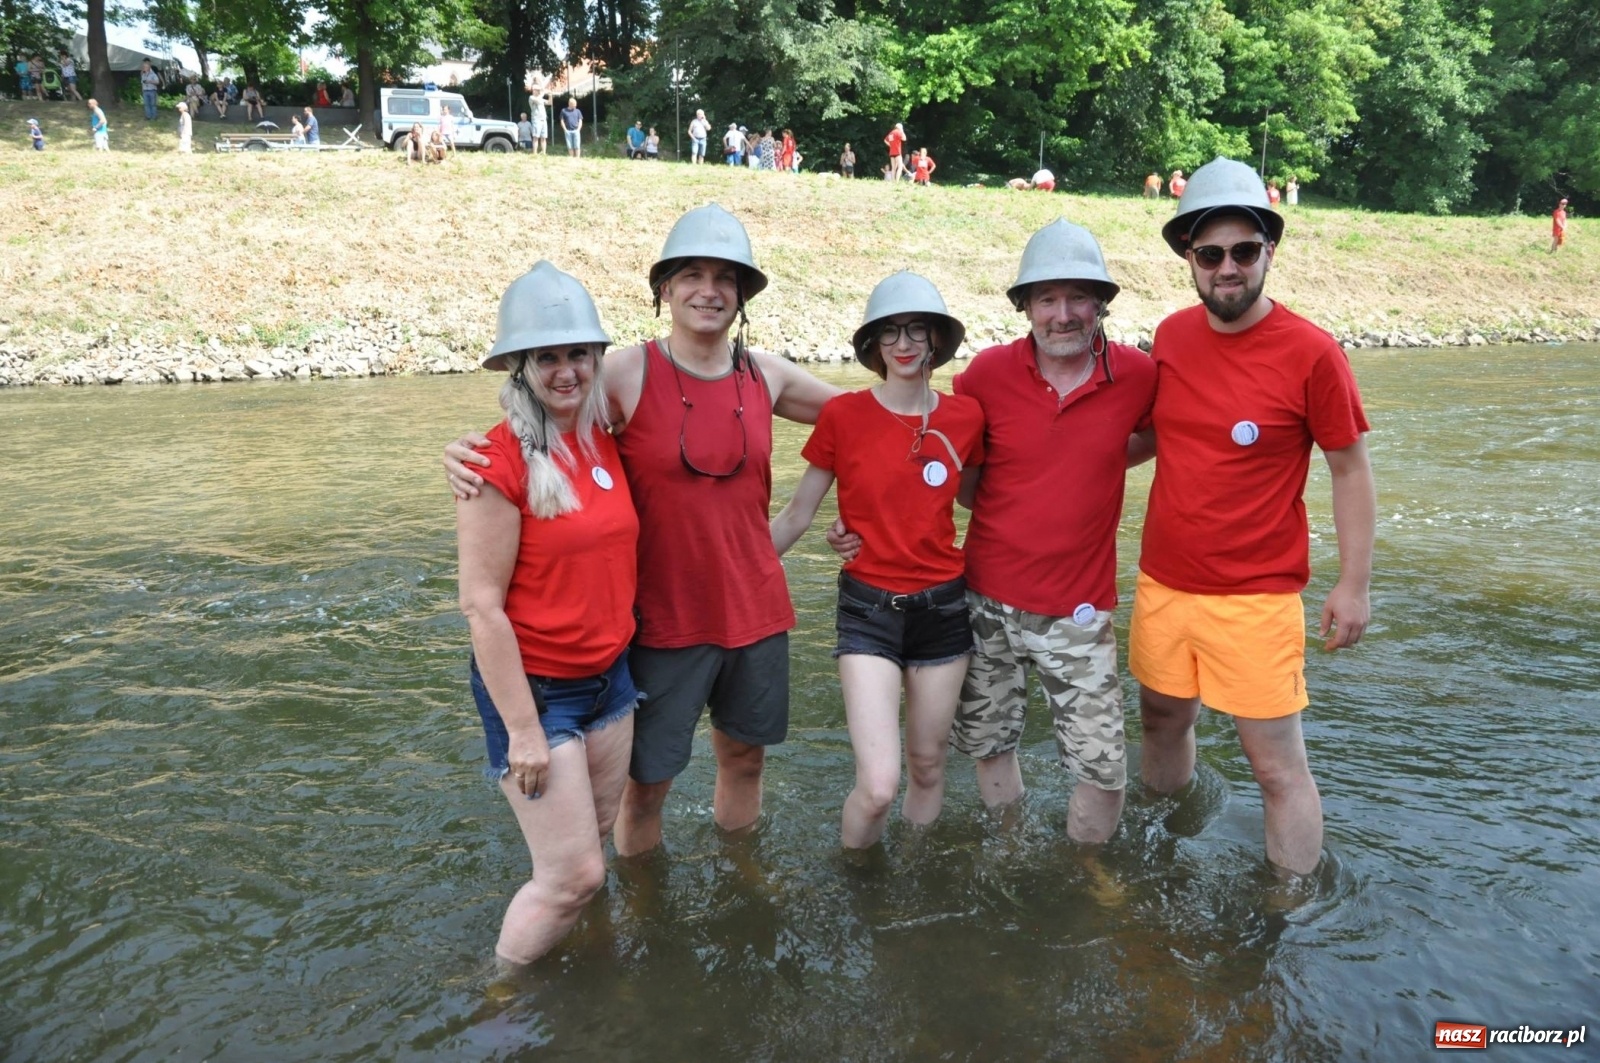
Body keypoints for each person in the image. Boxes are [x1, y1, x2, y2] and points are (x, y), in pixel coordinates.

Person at [444, 205, 841, 857]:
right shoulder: (623, 374)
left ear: (744, 296)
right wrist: (465, 455)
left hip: (757, 614)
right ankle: (646, 903)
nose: (708, 290)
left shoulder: (766, 375)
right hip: (660, 621)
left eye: (725, 278)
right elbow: (543, 414)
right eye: (691, 275)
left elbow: (867, 424)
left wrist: (807, 518)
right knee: (647, 784)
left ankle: (742, 884)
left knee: (745, 760)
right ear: (664, 290)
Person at [1138, 156, 1375, 877]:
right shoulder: (1171, 337)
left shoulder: (1312, 353)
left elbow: (1350, 468)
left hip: (1259, 598)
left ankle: (1290, 906)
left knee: (1276, 767)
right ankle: (1166, 843)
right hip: (1164, 586)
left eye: (1245, 251)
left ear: (1270, 251)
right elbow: (1149, 436)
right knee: (1162, 722)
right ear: (1189, 258)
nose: (1228, 268)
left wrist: (1354, 584)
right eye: (1211, 254)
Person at [457, 260, 639, 966]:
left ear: (597, 358)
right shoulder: (493, 462)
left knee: (592, 841)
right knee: (572, 876)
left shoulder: (602, 436)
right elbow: (481, 607)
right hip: (536, 693)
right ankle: (497, 1001)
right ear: (520, 366)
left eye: (577, 354)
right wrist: (524, 731)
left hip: (611, 679)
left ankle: (589, 967)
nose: (566, 370)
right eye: (547, 357)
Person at [772, 273, 984, 848]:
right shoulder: (844, 415)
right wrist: (732, 579)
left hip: (944, 609)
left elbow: (985, 500)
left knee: (929, 765)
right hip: (869, 610)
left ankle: (911, 880)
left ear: (936, 340)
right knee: (878, 786)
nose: (905, 342)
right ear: (873, 346)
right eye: (889, 332)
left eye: (917, 329)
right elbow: (796, 515)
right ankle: (857, 878)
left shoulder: (966, 418)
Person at [528, 84, 549, 154]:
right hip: (536, 119)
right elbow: (537, 100)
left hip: (543, 120)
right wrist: (543, 92)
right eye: (537, 90)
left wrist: (550, 95)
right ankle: (534, 153)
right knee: (536, 137)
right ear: (533, 91)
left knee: (543, 137)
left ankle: (544, 152)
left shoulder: (541, 98)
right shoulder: (531, 97)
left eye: (539, 90)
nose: (539, 92)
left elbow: (549, 103)